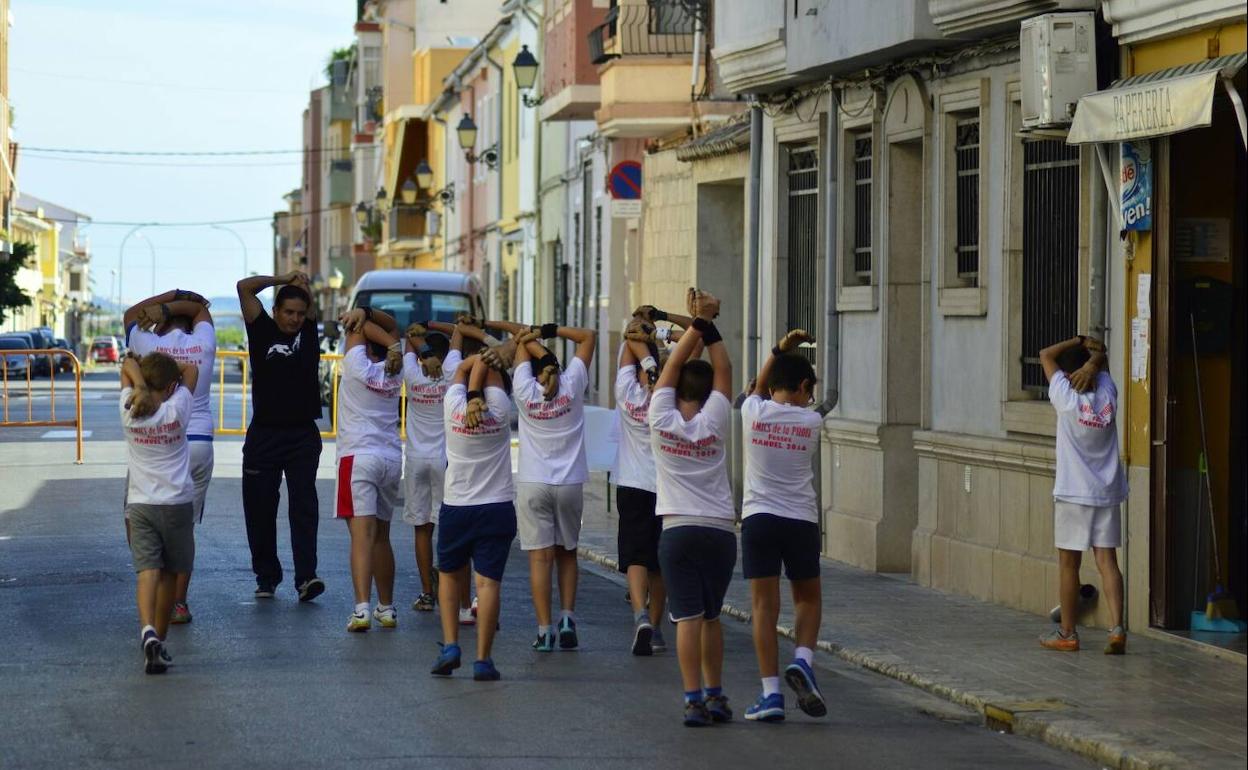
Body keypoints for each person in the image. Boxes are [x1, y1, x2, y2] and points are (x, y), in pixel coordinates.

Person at [650, 289, 736, 727]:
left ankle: (692, 699)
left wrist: (698, 323)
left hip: (678, 529)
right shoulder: (716, 417)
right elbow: (724, 367)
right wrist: (710, 322)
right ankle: (717, 695)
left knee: (686, 618)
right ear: (707, 393)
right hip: (720, 530)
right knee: (712, 617)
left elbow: (668, 368)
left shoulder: (660, 416)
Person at [485, 319, 595, 652]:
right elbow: (588, 336)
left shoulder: (523, 388)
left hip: (534, 482)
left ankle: (544, 629)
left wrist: (522, 337)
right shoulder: (573, 382)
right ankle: (567, 618)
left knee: (539, 560)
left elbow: (520, 346)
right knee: (567, 554)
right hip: (571, 482)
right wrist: (546, 331)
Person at [739, 330, 827, 722]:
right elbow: (767, 388)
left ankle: (770, 693)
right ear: (804, 386)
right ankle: (803, 660)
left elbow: (755, 390)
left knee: (763, 607)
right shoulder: (811, 422)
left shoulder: (752, 413)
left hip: (759, 519)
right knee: (807, 598)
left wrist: (777, 350)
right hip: (801, 520)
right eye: (810, 389)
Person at [123, 289, 215, 625]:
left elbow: (131, 312)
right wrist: (179, 302)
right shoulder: (204, 342)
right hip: (199, 441)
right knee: (184, 526)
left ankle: (151, 572)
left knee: (139, 512)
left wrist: (168, 295)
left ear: (159, 325)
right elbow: (200, 310)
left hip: (156, 437)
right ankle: (178, 603)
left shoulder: (148, 344)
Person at [429, 348, 518, 681]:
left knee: (450, 577)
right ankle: (483, 659)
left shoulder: (451, 405)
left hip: (457, 506)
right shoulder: (499, 408)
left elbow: (463, 371)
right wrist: (491, 359)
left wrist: (475, 362)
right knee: (488, 584)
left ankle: (451, 646)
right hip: (496, 507)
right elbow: (487, 372)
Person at [237, 271, 325, 602]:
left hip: (302, 434)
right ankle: (267, 576)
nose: (294, 319)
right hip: (265, 435)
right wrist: (283, 278)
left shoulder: (309, 332)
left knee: (304, 506)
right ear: (276, 311)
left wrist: (302, 287)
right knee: (260, 507)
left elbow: (308, 298)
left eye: (300, 314)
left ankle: (307, 578)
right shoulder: (261, 329)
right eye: (288, 312)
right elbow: (244, 288)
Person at [614, 305, 697, 656]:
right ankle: (659, 628)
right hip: (666, 486)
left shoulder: (627, 391)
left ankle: (639, 616)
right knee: (659, 562)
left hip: (632, 483)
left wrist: (643, 338)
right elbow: (696, 333)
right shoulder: (671, 400)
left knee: (634, 556)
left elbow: (628, 340)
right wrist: (663, 326)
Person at [1038, 335, 1128, 654]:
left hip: (1073, 492)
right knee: (1107, 561)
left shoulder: (1064, 396)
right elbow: (1102, 363)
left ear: (1067, 372)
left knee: (1068, 565)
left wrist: (1077, 339)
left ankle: (1067, 633)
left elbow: (1045, 353)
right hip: (1107, 491)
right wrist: (1095, 359)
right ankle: (1117, 630)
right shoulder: (1107, 393)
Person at [119, 351, 198, 674]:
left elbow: (125, 367)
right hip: (176, 504)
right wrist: (167, 375)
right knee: (169, 575)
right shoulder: (176, 409)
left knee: (147, 571)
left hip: (140, 504)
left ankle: (147, 631)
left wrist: (138, 377)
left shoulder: (128, 411)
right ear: (170, 387)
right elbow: (190, 369)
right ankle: (160, 641)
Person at [335, 307, 405, 632]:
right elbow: (392, 330)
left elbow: (356, 329)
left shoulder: (356, 364)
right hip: (390, 458)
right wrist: (388, 338)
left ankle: (362, 609)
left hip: (358, 457)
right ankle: (386, 607)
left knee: (361, 538)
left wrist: (359, 315)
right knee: (382, 538)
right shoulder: (396, 370)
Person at [400, 324, 460, 613]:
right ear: (447, 355)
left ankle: (426, 593)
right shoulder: (451, 372)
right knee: (450, 528)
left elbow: (408, 338)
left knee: (422, 529)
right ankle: (449, 587)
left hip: (415, 460)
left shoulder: (411, 373)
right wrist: (435, 326)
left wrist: (419, 341)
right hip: (444, 459)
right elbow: (461, 329)